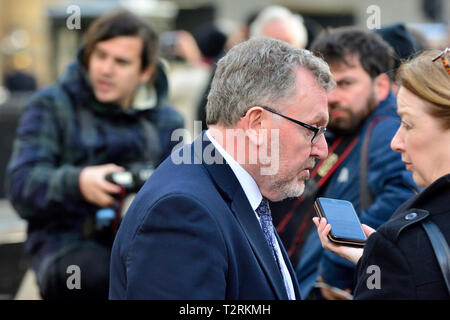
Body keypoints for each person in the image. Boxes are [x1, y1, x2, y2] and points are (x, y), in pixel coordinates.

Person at [109, 37, 335, 299]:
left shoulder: (232, 187)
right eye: (313, 130)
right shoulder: (183, 212)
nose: (322, 150)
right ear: (258, 124)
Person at [5, 9, 184, 300]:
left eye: (121, 61)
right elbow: (21, 184)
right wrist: (79, 182)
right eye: (100, 56)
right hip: (66, 243)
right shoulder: (51, 106)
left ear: (145, 71)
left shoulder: (166, 122)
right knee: (98, 276)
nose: (106, 69)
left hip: (144, 242)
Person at [280, 27, 418, 299]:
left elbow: (400, 203)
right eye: (327, 85)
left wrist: (333, 272)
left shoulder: (387, 130)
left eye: (345, 84)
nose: (332, 96)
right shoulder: (345, 128)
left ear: (379, 86)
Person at [314, 49, 450, 299]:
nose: (395, 142)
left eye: (408, 124)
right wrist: (377, 259)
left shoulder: (404, 242)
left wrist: (389, 255)